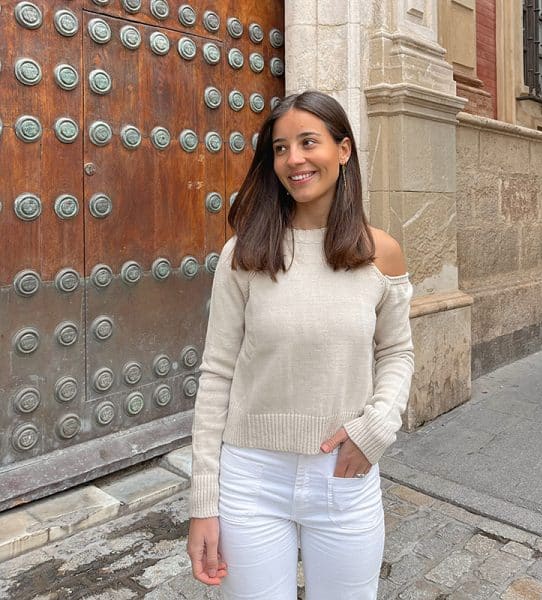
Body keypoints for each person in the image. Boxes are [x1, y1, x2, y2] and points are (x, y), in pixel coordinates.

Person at [187, 90, 414, 599]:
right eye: (280, 147)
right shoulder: (244, 254)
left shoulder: (381, 254)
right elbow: (217, 372)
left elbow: (397, 352)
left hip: (343, 477)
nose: (294, 159)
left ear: (344, 150)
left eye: (308, 142)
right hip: (249, 480)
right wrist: (204, 501)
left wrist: (376, 426)